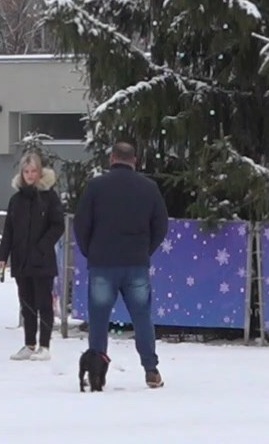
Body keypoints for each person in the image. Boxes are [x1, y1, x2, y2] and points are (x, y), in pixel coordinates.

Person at [73, 141, 168, 388]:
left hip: (102, 262)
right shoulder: (149, 188)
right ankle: (151, 369)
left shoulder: (95, 187)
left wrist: (90, 252)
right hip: (136, 261)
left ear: (111, 158)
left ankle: (96, 373)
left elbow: (81, 225)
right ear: (134, 160)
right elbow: (160, 226)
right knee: (142, 317)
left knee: (99, 319)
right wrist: (145, 250)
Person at [0, 149, 66, 361]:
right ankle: (29, 343)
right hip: (21, 259)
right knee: (26, 304)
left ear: (39, 172)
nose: (29, 174)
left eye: (33, 170)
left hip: (42, 260)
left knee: (43, 303)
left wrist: (42, 246)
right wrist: (3, 256)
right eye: (26, 171)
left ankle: (44, 345)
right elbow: (8, 229)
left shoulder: (49, 198)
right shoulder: (16, 200)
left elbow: (58, 226)